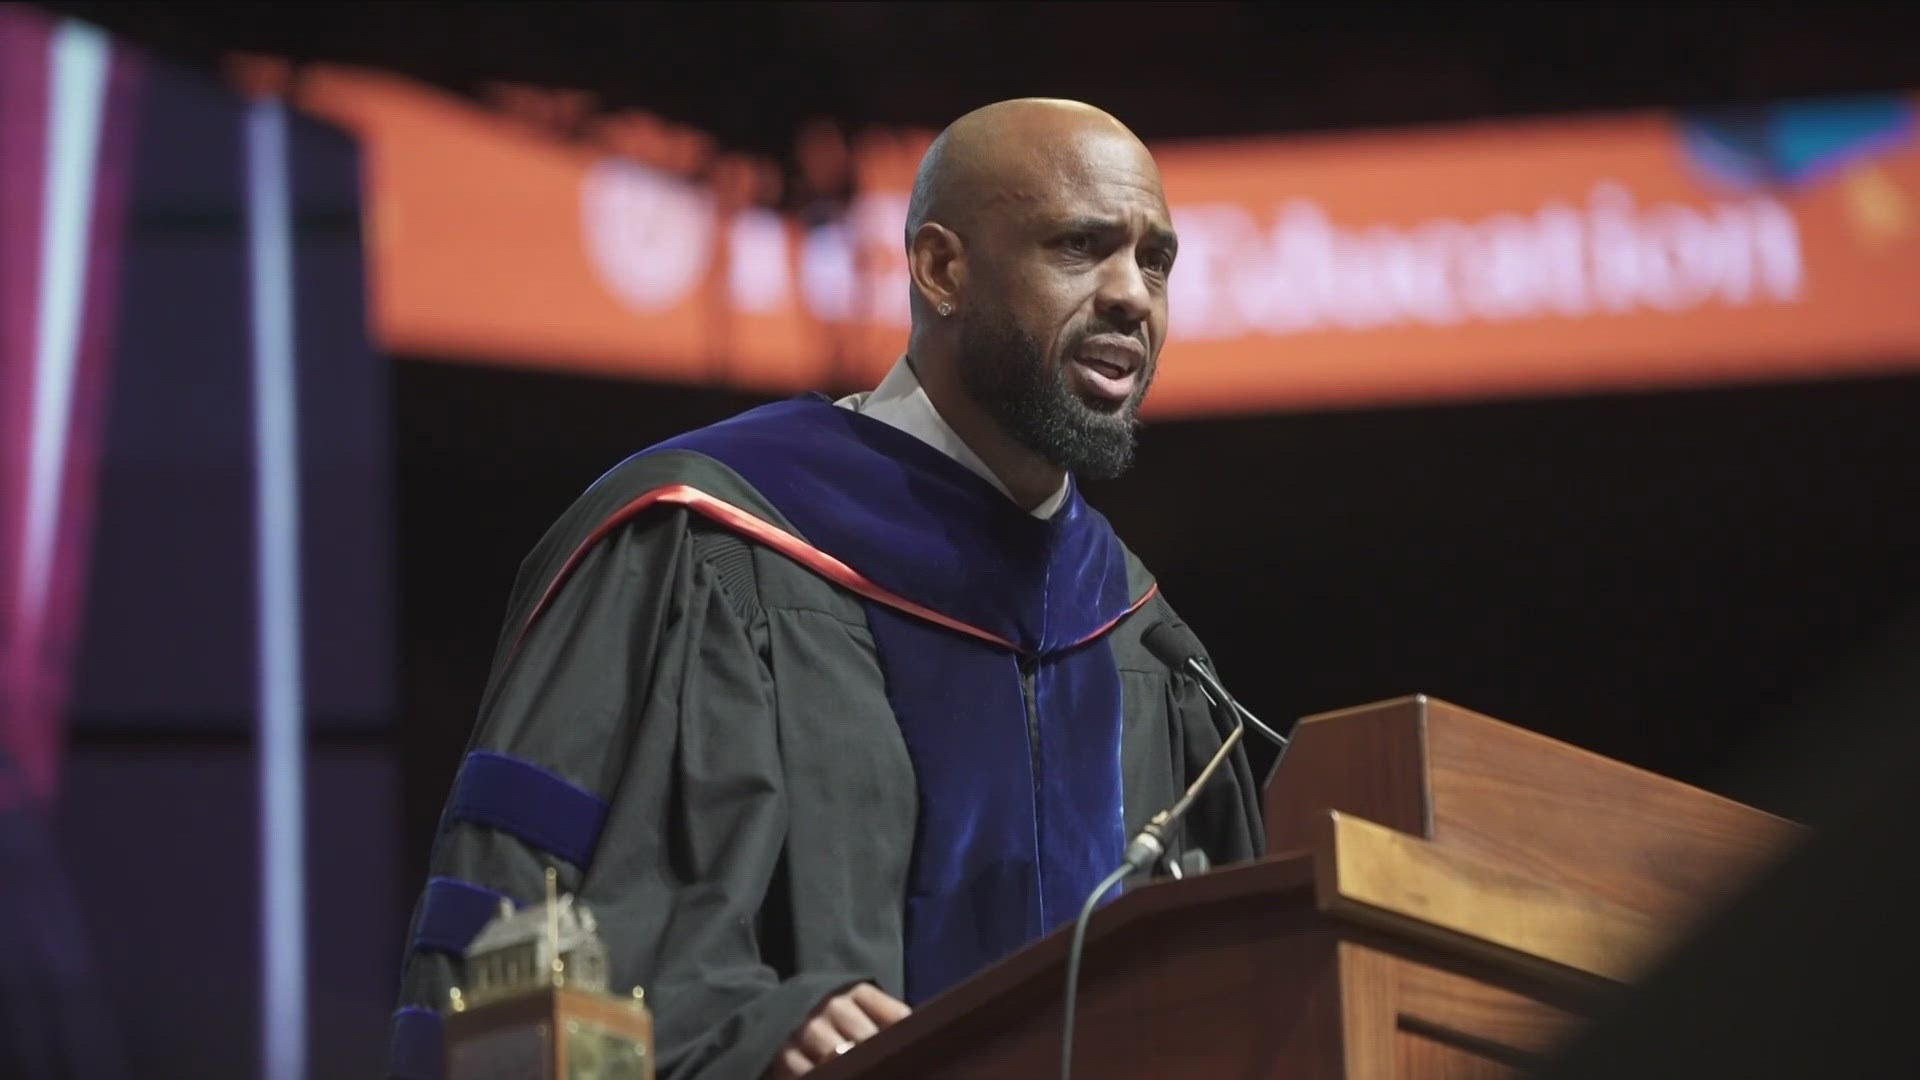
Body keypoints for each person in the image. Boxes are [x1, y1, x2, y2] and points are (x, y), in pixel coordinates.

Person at [387, 98, 1263, 1080]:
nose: (1132, 296)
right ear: (941, 270)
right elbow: (525, 940)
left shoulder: (1144, 648)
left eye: (1156, 262)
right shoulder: (701, 543)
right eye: (1080, 246)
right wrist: (742, 1026)